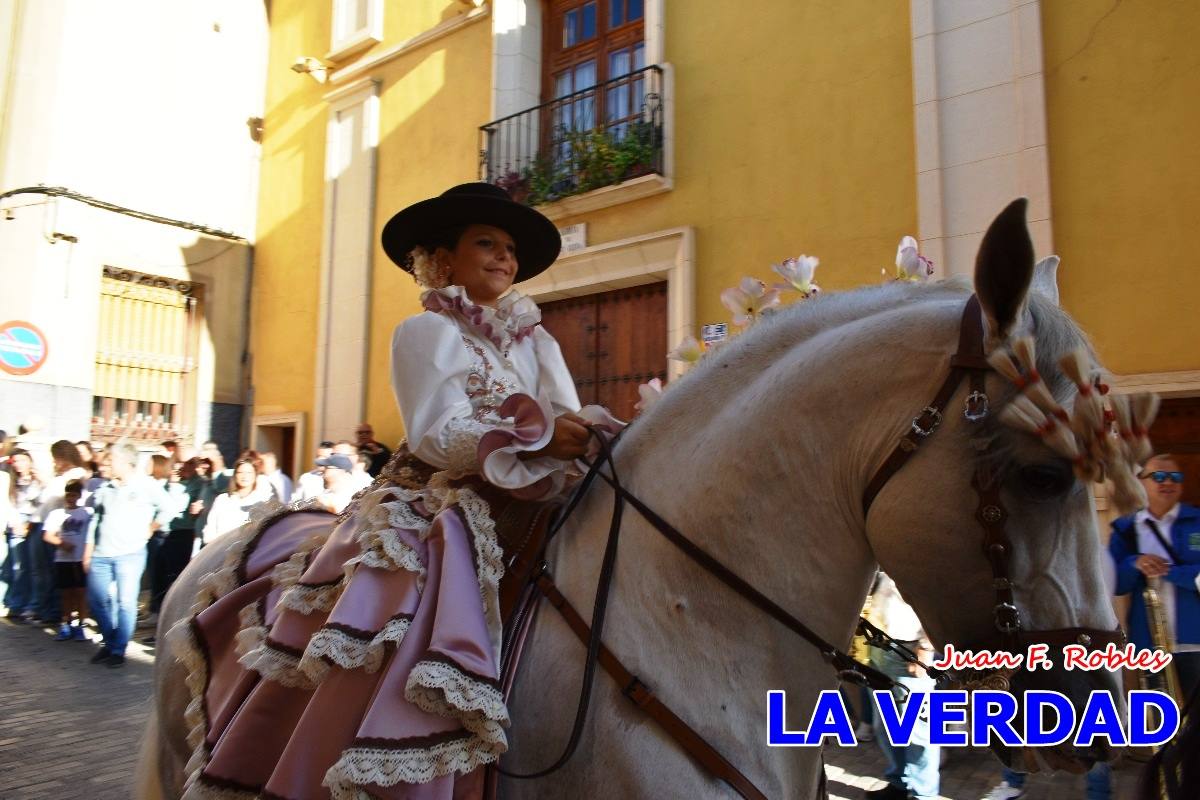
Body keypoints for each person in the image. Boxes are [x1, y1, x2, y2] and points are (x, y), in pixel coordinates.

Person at [174, 182, 612, 798]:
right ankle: (350, 747)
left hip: (527, 495)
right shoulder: (427, 332)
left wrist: (584, 438)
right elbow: (437, 431)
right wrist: (538, 442)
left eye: (510, 248)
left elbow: (564, 411)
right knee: (401, 593)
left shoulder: (535, 340)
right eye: (485, 242)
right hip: (437, 497)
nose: (503, 257)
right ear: (442, 259)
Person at [1110, 454, 1200, 695]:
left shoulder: (1197, 523)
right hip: (1148, 644)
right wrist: (1135, 563)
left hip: (1195, 641)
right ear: (1142, 482)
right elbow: (1115, 584)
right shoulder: (1126, 528)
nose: (1167, 482)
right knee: (1157, 718)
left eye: (1175, 477)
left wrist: (1168, 571)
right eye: (1158, 476)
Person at [85, 443, 175, 667]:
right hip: (101, 554)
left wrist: (151, 528)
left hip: (130, 553)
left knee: (125, 602)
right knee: (97, 600)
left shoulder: (146, 485)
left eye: (112, 460)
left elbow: (169, 508)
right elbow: (95, 520)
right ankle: (110, 638)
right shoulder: (106, 488)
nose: (108, 464)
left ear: (126, 463)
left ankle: (117, 649)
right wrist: (88, 550)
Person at [867, 572, 940, 800]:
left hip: (909, 651)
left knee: (917, 731)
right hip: (878, 644)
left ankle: (924, 795)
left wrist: (927, 647)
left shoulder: (921, 549)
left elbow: (934, 597)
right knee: (886, 727)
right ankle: (899, 784)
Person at [40, 479, 92, 641]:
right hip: (63, 559)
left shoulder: (86, 513)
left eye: (74, 495)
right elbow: (47, 535)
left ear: (79, 496)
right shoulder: (57, 514)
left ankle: (81, 624)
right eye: (68, 495)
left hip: (79, 559)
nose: (70, 498)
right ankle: (66, 622)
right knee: (66, 593)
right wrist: (61, 544)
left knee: (80, 592)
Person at [4, 448, 43, 621]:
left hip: (34, 520)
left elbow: (41, 502)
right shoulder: (11, 481)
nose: (20, 464)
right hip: (17, 521)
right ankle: (17, 604)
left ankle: (33, 604)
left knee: (35, 567)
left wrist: (29, 523)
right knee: (18, 567)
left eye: (23, 460)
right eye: (16, 461)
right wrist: (15, 523)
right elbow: (10, 504)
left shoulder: (37, 480)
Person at [202, 457, 274, 543]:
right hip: (219, 549)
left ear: (255, 475)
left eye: (249, 472)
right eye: (240, 472)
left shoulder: (262, 501)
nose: (244, 476)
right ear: (235, 475)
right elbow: (210, 529)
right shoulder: (222, 500)